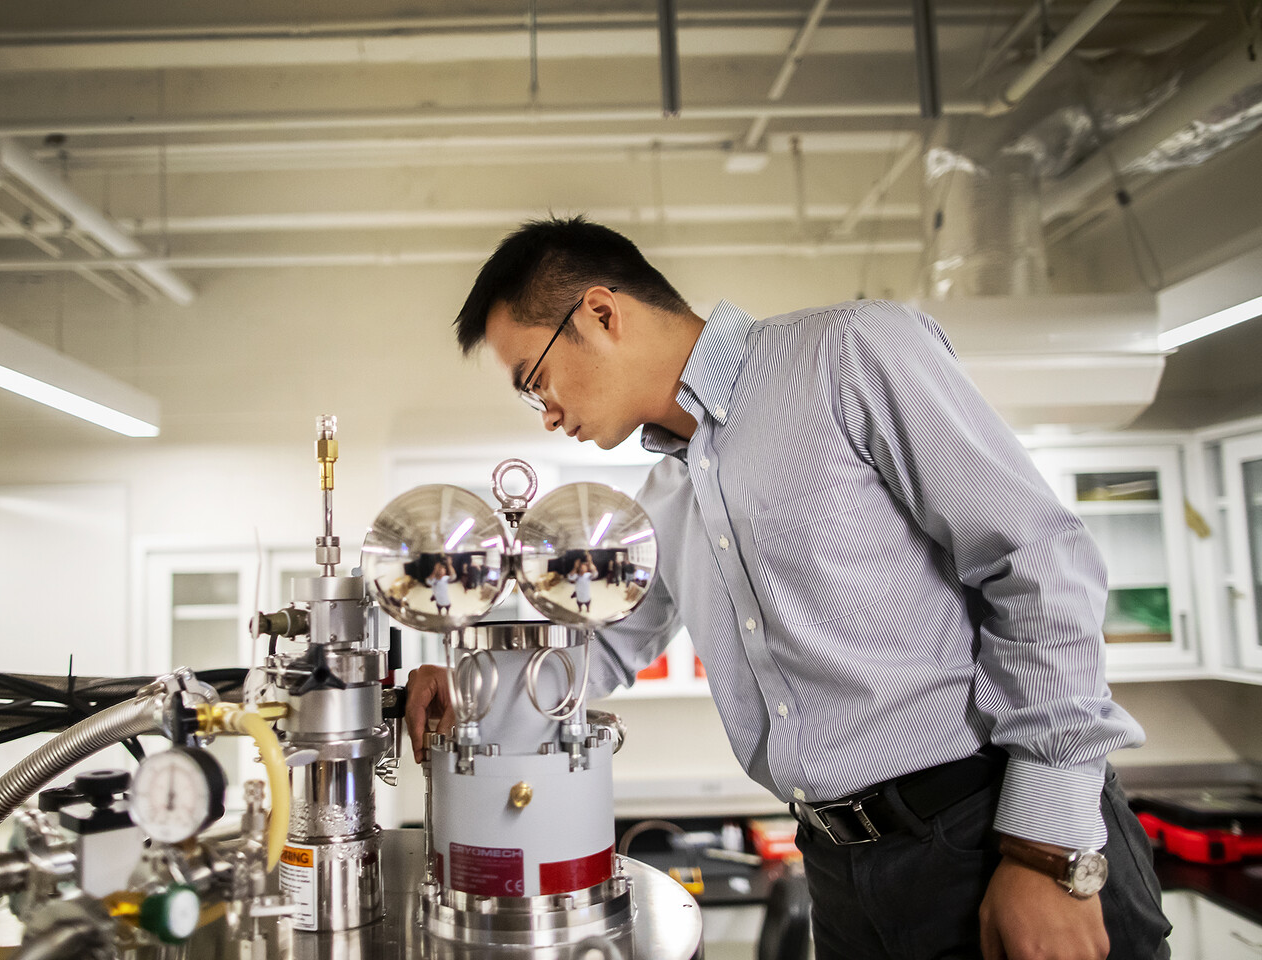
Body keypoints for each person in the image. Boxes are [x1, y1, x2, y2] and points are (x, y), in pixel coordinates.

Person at [405, 217, 1171, 960]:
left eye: (535, 380)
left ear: (601, 313)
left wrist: (1046, 847)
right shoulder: (665, 501)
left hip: (985, 829)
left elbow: (1040, 563)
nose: (547, 415)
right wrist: (469, 684)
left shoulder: (848, 354)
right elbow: (600, 648)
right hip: (840, 872)